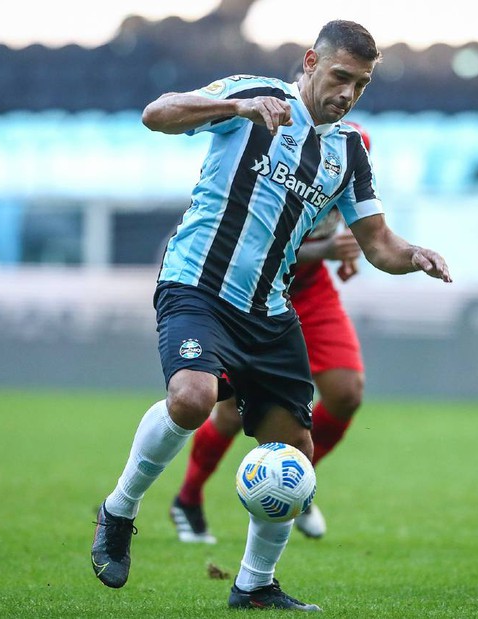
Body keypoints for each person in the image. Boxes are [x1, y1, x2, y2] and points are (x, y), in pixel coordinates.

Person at [90, 20, 451, 612]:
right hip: (197, 285)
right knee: (192, 399)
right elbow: (157, 114)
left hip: (268, 310)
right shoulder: (257, 96)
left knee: (294, 454)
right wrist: (235, 105)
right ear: (310, 62)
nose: (347, 94)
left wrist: (413, 255)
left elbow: (378, 243)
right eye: (339, 77)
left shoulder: (350, 150)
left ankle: (254, 584)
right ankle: (120, 508)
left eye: (359, 86)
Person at [169, 122, 372, 545]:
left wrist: (350, 245)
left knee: (346, 391)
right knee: (233, 411)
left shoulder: (352, 151)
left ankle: (296, 480)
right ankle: (187, 499)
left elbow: (351, 210)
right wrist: (330, 250)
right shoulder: (275, 151)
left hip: (311, 290)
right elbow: (266, 243)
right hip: (252, 290)